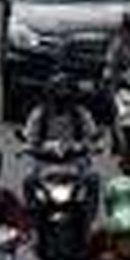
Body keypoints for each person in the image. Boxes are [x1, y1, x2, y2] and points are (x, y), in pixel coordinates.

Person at [21, 74, 101, 220]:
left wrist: (91, 145)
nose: (61, 100)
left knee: (92, 179)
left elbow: (92, 134)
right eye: (57, 95)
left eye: (65, 96)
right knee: (29, 180)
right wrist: (28, 146)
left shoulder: (81, 114)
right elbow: (29, 136)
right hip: (46, 163)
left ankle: (87, 216)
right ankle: (33, 217)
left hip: (74, 163)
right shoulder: (39, 114)